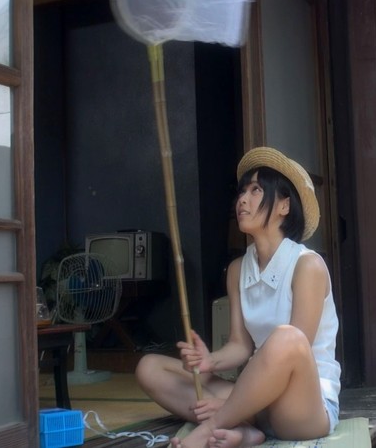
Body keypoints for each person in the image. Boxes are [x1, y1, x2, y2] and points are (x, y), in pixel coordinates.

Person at [136, 147, 341, 448]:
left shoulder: (307, 266)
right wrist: (209, 361)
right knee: (150, 367)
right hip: (256, 399)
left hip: (303, 406)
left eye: (256, 190)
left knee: (288, 338)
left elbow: (298, 350)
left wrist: (228, 404)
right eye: (242, 191)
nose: (243, 199)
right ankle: (246, 430)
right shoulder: (237, 270)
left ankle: (214, 426)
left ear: (284, 205)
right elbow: (240, 346)